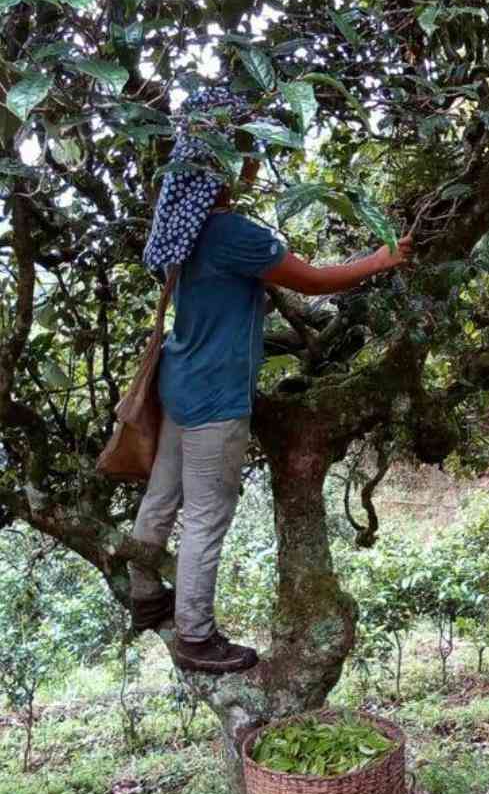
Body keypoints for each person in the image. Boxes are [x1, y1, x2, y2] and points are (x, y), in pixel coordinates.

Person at [128, 85, 414, 675]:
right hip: (215, 398)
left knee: (163, 493)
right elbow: (310, 280)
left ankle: (143, 592)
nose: (255, 160)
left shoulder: (183, 228)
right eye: (247, 151)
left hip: (180, 384)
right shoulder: (233, 233)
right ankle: (196, 637)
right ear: (229, 163)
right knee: (209, 513)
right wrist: (382, 260)